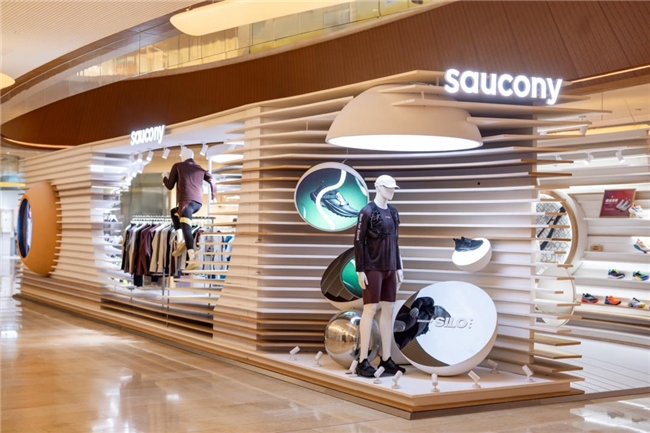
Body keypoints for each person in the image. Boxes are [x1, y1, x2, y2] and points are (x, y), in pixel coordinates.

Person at [353, 174, 405, 377]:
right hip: (372, 268)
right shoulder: (367, 212)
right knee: (370, 309)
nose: (391, 191)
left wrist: (399, 267)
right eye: (388, 188)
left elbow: (395, 241)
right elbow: (358, 242)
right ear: (378, 187)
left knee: (389, 310)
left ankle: (386, 359)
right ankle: (362, 360)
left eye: (393, 188)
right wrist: (360, 270)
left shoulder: (393, 212)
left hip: (390, 268)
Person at [162, 147, 217, 271]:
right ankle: (181, 241)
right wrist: (214, 195)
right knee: (174, 212)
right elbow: (212, 179)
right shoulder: (200, 168)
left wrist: (164, 177)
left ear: (183, 156)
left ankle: (193, 258)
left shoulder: (178, 166)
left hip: (185, 202)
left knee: (186, 226)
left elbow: (170, 185)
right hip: (197, 204)